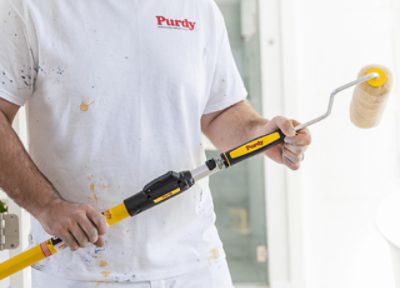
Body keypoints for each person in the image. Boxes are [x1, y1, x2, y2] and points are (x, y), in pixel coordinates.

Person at [0, 0, 311, 287]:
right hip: (79, 268)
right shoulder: (31, 7)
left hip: (195, 263)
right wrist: (47, 206)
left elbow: (219, 112)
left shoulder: (197, 9)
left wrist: (259, 134)